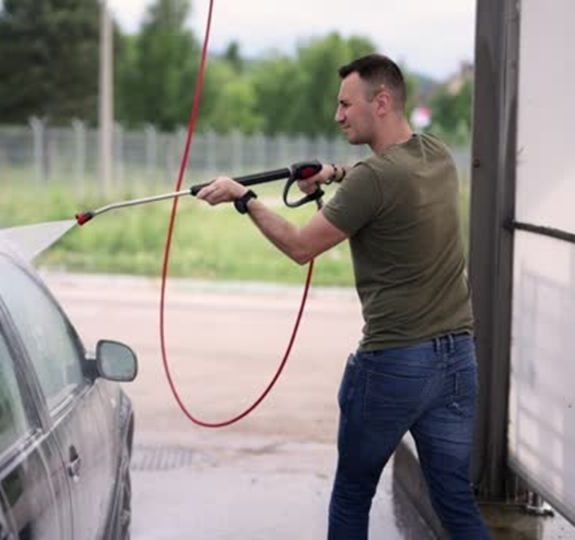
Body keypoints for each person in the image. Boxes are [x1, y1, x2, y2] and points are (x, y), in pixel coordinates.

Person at [195, 53, 490, 539]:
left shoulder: (374, 181)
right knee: (455, 500)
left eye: (345, 104)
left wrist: (242, 198)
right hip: (458, 361)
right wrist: (331, 173)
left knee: (353, 495)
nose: (337, 115)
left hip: (395, 363)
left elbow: (299, 247)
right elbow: (381, 177)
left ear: (381, 101)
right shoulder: (435, 154)